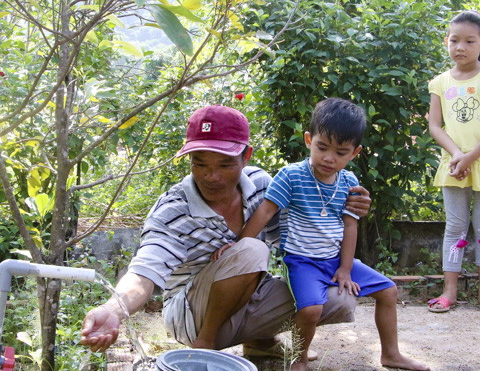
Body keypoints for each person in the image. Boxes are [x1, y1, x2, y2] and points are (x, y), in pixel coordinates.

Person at [81, 104, 372, 356]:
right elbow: (143, 273)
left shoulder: (262, 186)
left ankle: (258, 340)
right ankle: (204, 346)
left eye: (225, 164)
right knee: (251, 249)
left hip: (248, 299)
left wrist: (346, 206)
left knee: (338, 299)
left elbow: (304, 226)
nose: (212, 176)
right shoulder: (173, 210)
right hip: (192, 314)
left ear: (246, 157)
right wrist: (113, 308)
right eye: (199, 163)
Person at [213, 98, 430, 371]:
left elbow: (349, 227)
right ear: (308, 140)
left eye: (340, 152)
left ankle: (391, 353)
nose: (329, 158)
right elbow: (265, 212)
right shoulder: (291, 176)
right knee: (311, 309)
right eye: (322, 147)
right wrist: (240, 246)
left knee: (388, 291)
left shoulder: (349, 182)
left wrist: (345, 269)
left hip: (334, 260)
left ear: (355, 152)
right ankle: (299, 359)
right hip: (301, 261)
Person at [427, 11, 480, 314]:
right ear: (446, 41)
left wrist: (471, 156)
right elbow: (435, 126)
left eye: (469, 41)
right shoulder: (439, 82)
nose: (460, 47)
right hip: (454, 164)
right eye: (454, 40)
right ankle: (448, 291)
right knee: (455, 227)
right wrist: (457, 155)